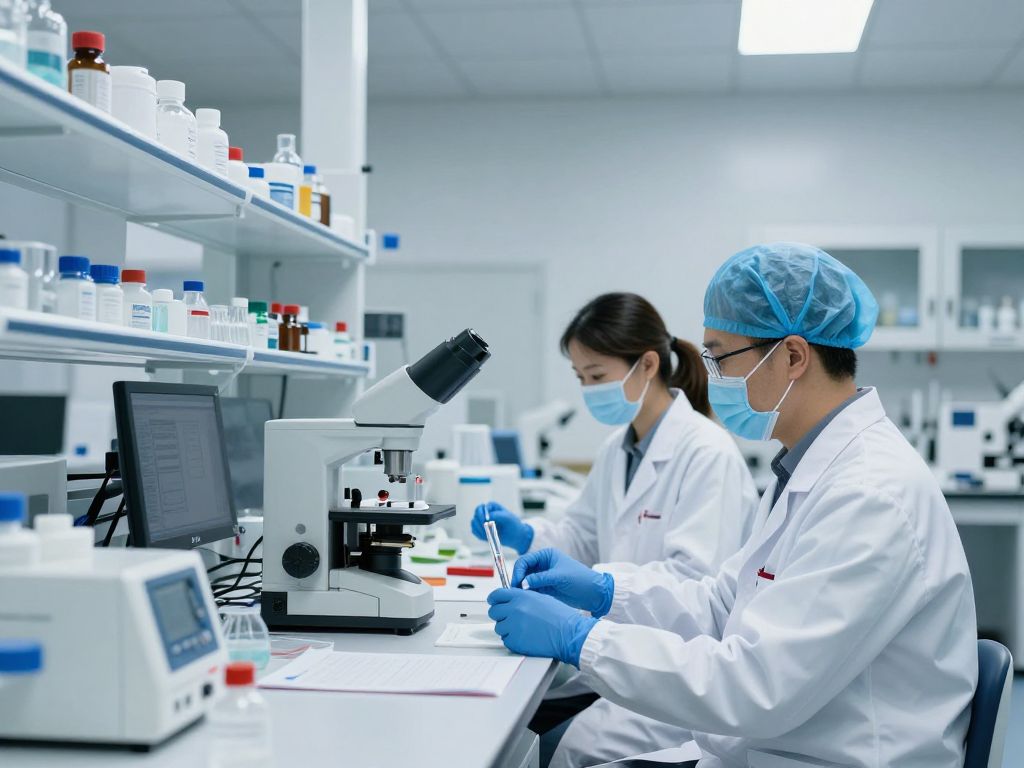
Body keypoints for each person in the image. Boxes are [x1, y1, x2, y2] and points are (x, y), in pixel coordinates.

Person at [488, 243, 978, 768]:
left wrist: (581, 639)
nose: (711, 375)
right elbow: (725, 605)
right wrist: (609, 591)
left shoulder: (869, 494)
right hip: (763, 747)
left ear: (792, 356)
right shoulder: (807, 469)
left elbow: (757, 687)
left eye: (720, 357)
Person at [471, 292, 758, 761]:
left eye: (598, 376)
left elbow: (697, 583)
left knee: (557, 751)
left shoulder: (707, 453)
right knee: (513, 723)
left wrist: (604, 588)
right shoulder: (616, 448)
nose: (588, 390)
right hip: (614, 651)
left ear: (647, 365)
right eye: (581, 378)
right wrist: (526, 536)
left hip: (672, 667)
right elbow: (583, 536)